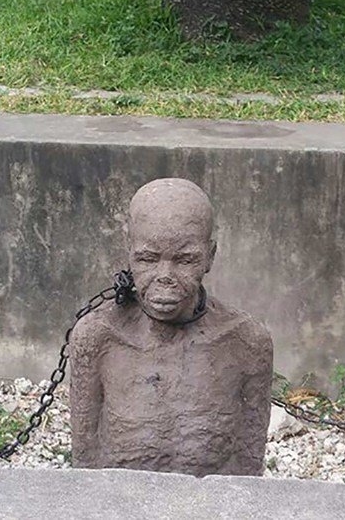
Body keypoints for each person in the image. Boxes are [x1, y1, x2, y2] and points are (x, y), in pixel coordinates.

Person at [70, 178, 273, 476]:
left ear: (210, 257)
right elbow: (85, 466)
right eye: (148, 258)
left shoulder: (246, 343)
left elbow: (248, 468)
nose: (165, 275)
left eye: (185, 259)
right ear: (130, 252)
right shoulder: (96, 339)